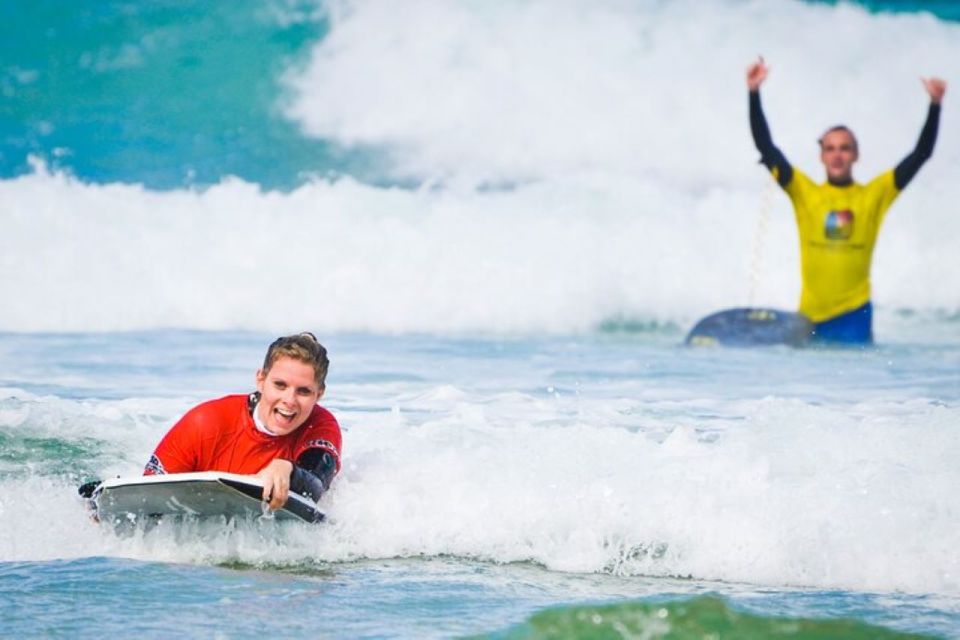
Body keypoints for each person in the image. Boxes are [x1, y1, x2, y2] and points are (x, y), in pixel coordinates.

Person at [746, 57, 946, 343]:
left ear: (856, 154)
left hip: (854, 316)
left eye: (844, 148)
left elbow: (921, 155)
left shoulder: (875, 194)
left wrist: (935, 105)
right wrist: (753, 93)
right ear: (822, 156)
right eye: (830, 149)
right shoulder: (804, 191)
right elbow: (766, 147)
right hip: (809, 319)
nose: (837, 155)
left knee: (854, 387)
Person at [143, 332, 342, 511]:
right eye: (280, 385)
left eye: (304, 391)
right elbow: (144, 496)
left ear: (319, 394)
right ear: (261, 380)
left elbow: (316, 485)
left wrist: (288, 470)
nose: (289, 401)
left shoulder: (321, 426)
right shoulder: (207, 422)